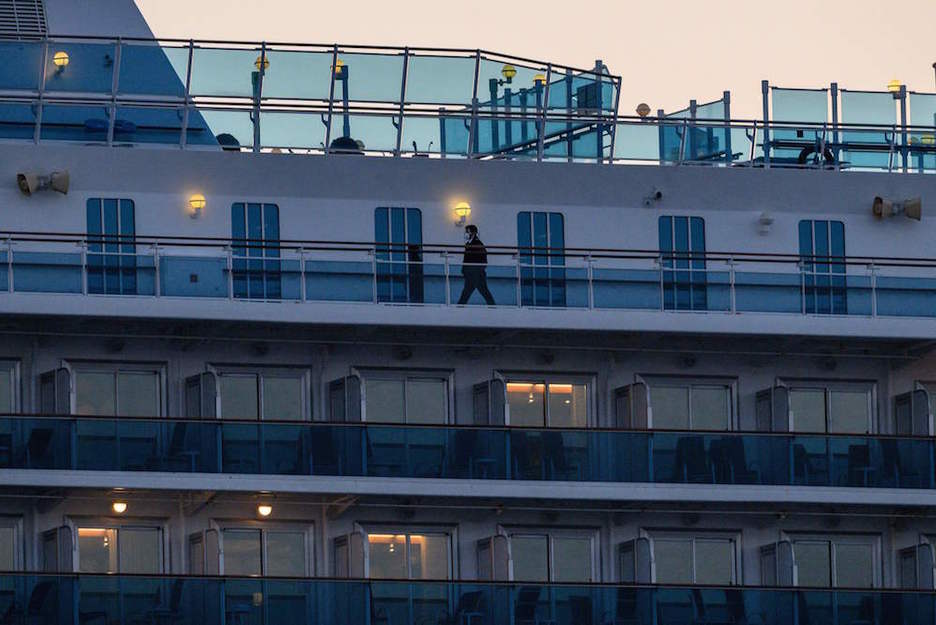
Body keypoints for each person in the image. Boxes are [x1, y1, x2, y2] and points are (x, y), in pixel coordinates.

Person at [457, 224, 495, 305]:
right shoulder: (469, 244)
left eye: (467, 232)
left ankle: (459, 307)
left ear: (472, 233)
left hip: (475, 273)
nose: (465, 234)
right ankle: (493, 306)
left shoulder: (477, 244)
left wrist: (473, 269)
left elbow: (483, 259)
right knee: (480, 291)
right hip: (472, 273)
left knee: (469, 292)